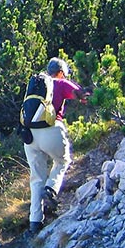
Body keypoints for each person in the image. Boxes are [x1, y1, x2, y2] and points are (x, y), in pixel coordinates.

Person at [25, 57, 90, 233]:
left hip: (29, 134)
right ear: (61, 73)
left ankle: (35, 222)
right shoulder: (60, 84)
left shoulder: (36, 85)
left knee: (36, 177)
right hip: (51, 130)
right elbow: (81, 95)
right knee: (62, 161)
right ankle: (51, 189)